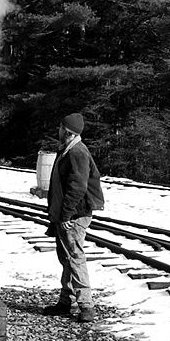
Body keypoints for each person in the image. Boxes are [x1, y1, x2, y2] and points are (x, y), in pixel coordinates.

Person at [42, 112, 104, 323]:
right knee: (67, 258)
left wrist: (66, 214)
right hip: (67, 214)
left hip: (74, 215)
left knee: (75, 258)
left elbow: (77, 187)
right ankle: (65, 302)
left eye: (61, 128)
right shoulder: (68, 150)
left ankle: (86, 305)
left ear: (67, 131)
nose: (58, 131)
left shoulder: (77, 152)